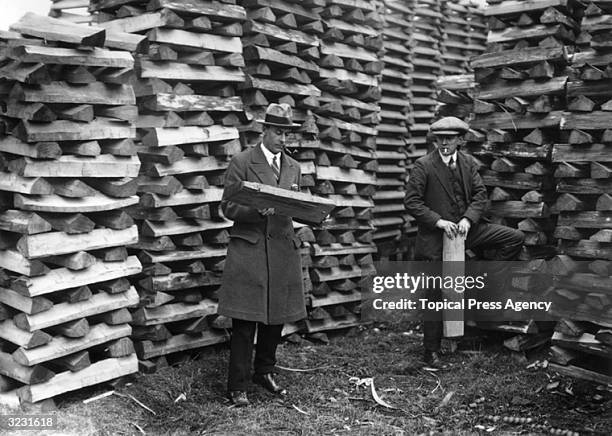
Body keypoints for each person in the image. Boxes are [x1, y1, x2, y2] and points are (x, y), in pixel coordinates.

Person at [404, 116, 525, 366]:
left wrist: (468, 220)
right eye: (440, 138)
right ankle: (431, 351)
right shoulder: (423, 165)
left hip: (466, 232)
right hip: (436, 238)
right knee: (434, 293)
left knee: (513, 238)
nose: (444, 143)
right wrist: (439, 221)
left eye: (449, 138)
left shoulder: (468, 163)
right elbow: (412, 202)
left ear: (460, 140)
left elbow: (480, 195)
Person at [218, 103, 306, 406]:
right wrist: (256, 210)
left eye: (287, 133)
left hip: (282, 248)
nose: (283, 138)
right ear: (265, 131)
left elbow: (296, 206)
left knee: (276, 317)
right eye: (278, 132)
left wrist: (312, 214)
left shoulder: (293, 167)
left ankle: (264, 371)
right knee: (246, 319)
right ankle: (237, 384)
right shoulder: (242, 161)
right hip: (251, 249)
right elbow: (227, 206)